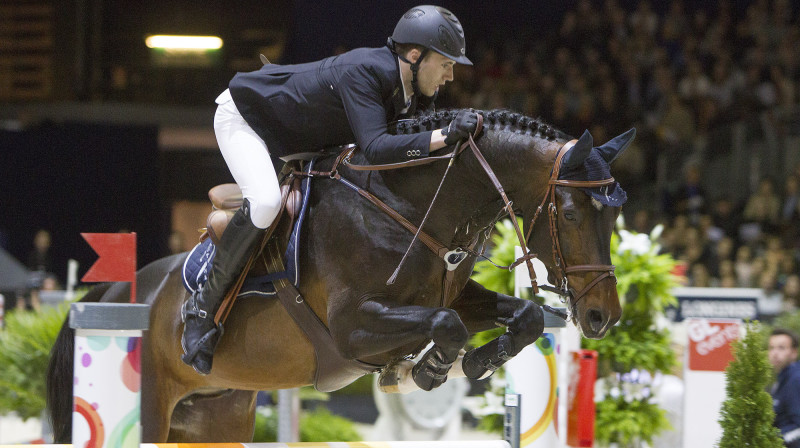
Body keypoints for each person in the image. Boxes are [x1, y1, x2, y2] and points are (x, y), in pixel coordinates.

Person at [181, 5, 481, 375]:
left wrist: (452, 130)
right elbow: (376, 146)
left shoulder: (411, 89)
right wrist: (446, 134)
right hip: (247, 118)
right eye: (446, 64)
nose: (451, 76)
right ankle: (201, 308)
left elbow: (408, 140)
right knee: (265, 203)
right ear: (415, 56)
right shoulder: (366, 73)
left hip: (297, 138)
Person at [768, 328, 800, 448]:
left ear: (793, 353)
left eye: (781, 348)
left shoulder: (796, 380)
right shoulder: (781, 378)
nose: (775, 353)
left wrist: (772, 441)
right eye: (771, 348)